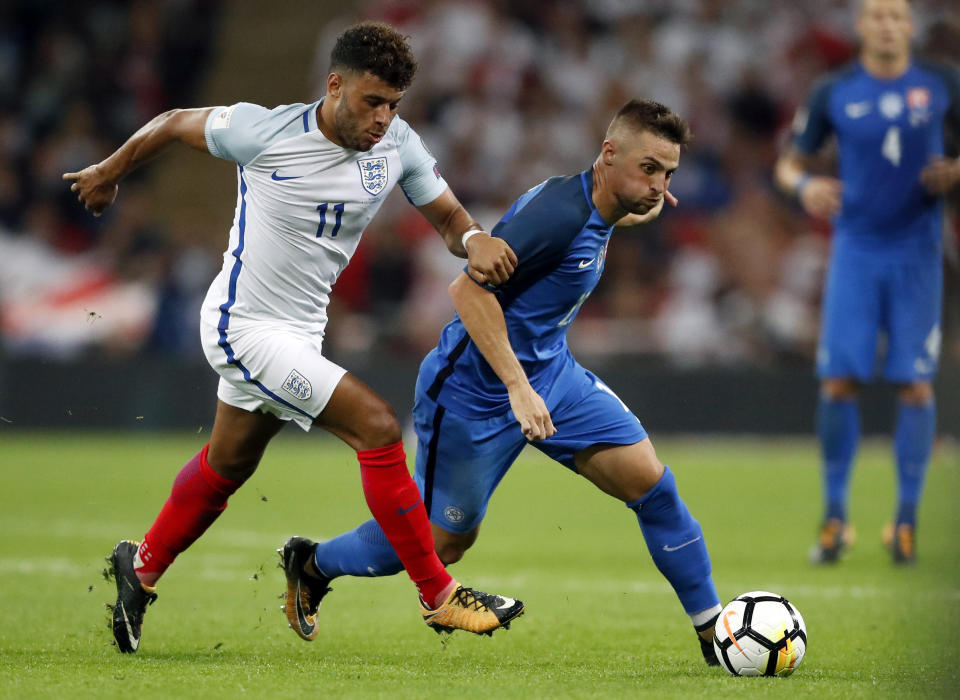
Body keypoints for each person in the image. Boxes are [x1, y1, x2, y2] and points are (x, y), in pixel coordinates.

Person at [63, 22, 525, 653]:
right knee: (378, 426)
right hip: (242, 327)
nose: (383, 118)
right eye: (371, 101)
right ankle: (440, 595)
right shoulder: (266, 130)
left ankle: (138, 571)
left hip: (300, 335)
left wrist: (475, 240)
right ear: (334, 86)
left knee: (228, 464)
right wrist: (111, 171)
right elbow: (172, 120)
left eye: (393, 105)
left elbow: (446, 216)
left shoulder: (398, 147)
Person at [289, 99, 725, 666]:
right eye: (649, 169)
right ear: (609, 153)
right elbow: (468, 293)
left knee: (653, 488)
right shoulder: (556, 217)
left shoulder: (603, 202)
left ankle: (715, 633)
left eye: (668, 174)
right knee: (443, 543)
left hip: (555, 378)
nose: (658, 184)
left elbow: (606, 221)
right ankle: (313, 563)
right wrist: (518, 388)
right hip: (474, 394)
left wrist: (641, 204)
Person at [775, 0, 960, 565]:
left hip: (919, 250)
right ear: (861, 26)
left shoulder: (944, 83)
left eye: (896, 16)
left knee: (916, 385)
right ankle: (836, 518)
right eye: (876, 15)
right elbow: (790, 162)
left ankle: (905, 520)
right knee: (837, 382)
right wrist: (803, 187)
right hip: (855, 249)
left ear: (908, 26)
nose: (886, 24)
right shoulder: (835, 90)